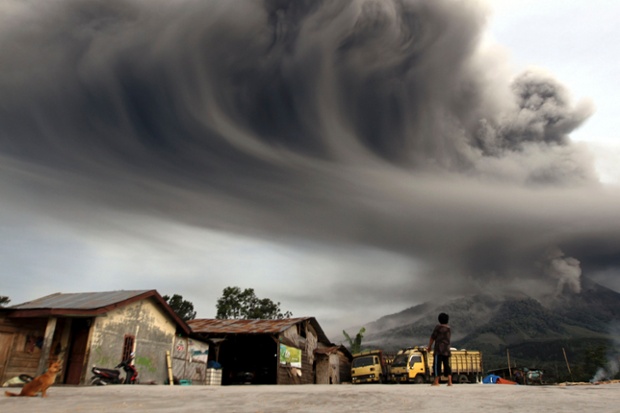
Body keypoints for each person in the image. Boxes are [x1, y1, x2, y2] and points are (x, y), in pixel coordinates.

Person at [428, 312, 452, 386]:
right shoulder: (449, 329)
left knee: (437, 365)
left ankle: (436, 381)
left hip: (439, 349)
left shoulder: (438, 328)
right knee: (446, 365)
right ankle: (449, 381)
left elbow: (433, 337)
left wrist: (429, 346)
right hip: (447, 350)